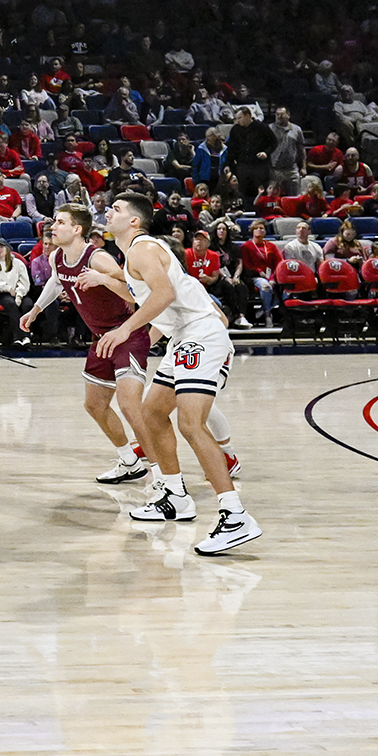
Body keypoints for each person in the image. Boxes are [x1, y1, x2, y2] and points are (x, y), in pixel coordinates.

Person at [82, 193, 261, 555]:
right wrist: (109, 285)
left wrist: (124, 330)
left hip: (200, 336)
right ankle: (175, 495)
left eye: (116, 209)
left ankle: (235, 515)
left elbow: (162, 294)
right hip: (183, 337)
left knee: (191, 423)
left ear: (134, 221)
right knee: (151, 413)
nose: (108, 212)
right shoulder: (131, 256)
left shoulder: (142, 248)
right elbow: (147, 296)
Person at [18, 206, 166, 485]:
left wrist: (103, 279)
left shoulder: (98, 258)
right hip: (100, 338)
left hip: (125, 335)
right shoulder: (57, 257)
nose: (53, 227)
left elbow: (133, 293)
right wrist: (35, 310)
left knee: (130, 407)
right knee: (95, 405)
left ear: (77, 229)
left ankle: (163, 477)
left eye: (60, 222)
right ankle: (129, 462)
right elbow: (56, 281)